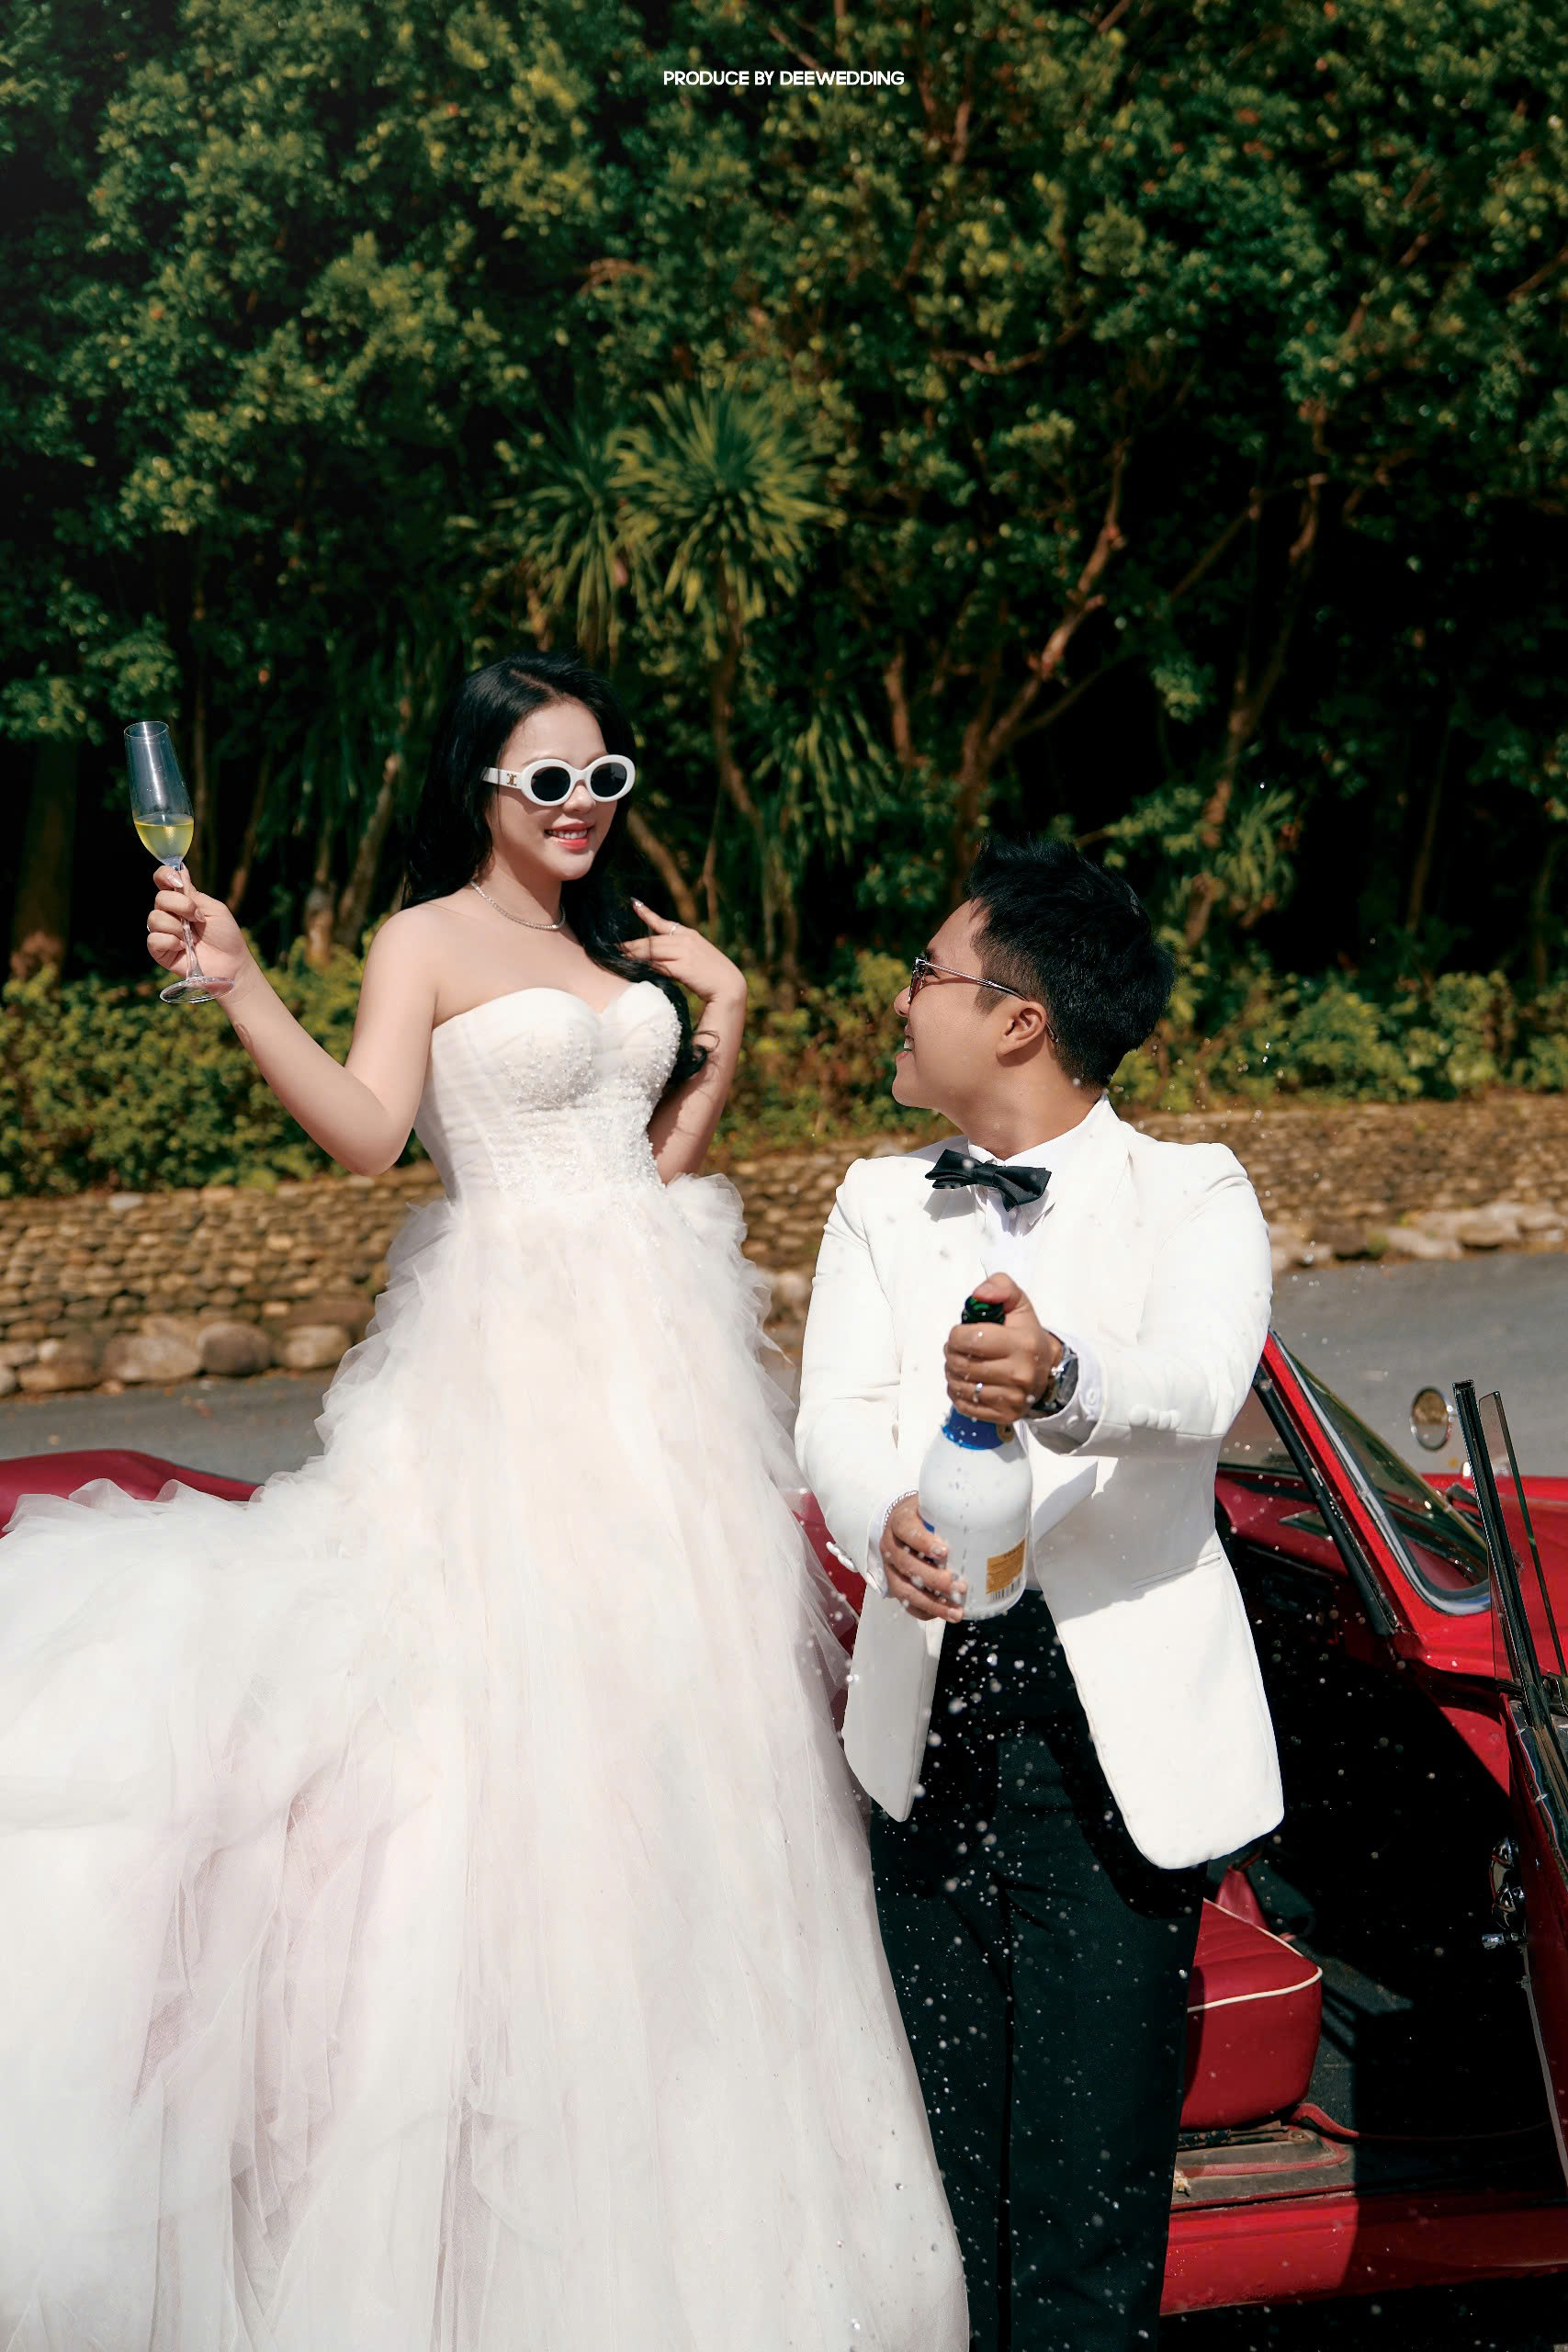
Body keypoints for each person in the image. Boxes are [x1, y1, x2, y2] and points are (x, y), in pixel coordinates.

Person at [0, 649, 967, 2352]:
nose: (583, 809)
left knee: (699, 1756)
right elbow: (371, 1135)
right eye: (549, 782)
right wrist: (241, 982)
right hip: (507, 1372)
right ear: (483, 791)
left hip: (660, 1382)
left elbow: (644, 1178)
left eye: (606, 779)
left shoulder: (614, 948)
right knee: (516, 1752)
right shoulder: (425, 941)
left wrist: (724, 1025)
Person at [795, 836, 1282, 2351]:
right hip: (923, 1738)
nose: (901, 998)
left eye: (927, 972)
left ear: (1019, 1019)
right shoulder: (879, 1199)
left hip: (1109, 1762)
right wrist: (881, 1520)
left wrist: (1062, 1377)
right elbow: (834, 1415)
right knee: (938, 2219)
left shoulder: (1193, 1189)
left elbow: (1201, 1382)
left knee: (1084, 2218)